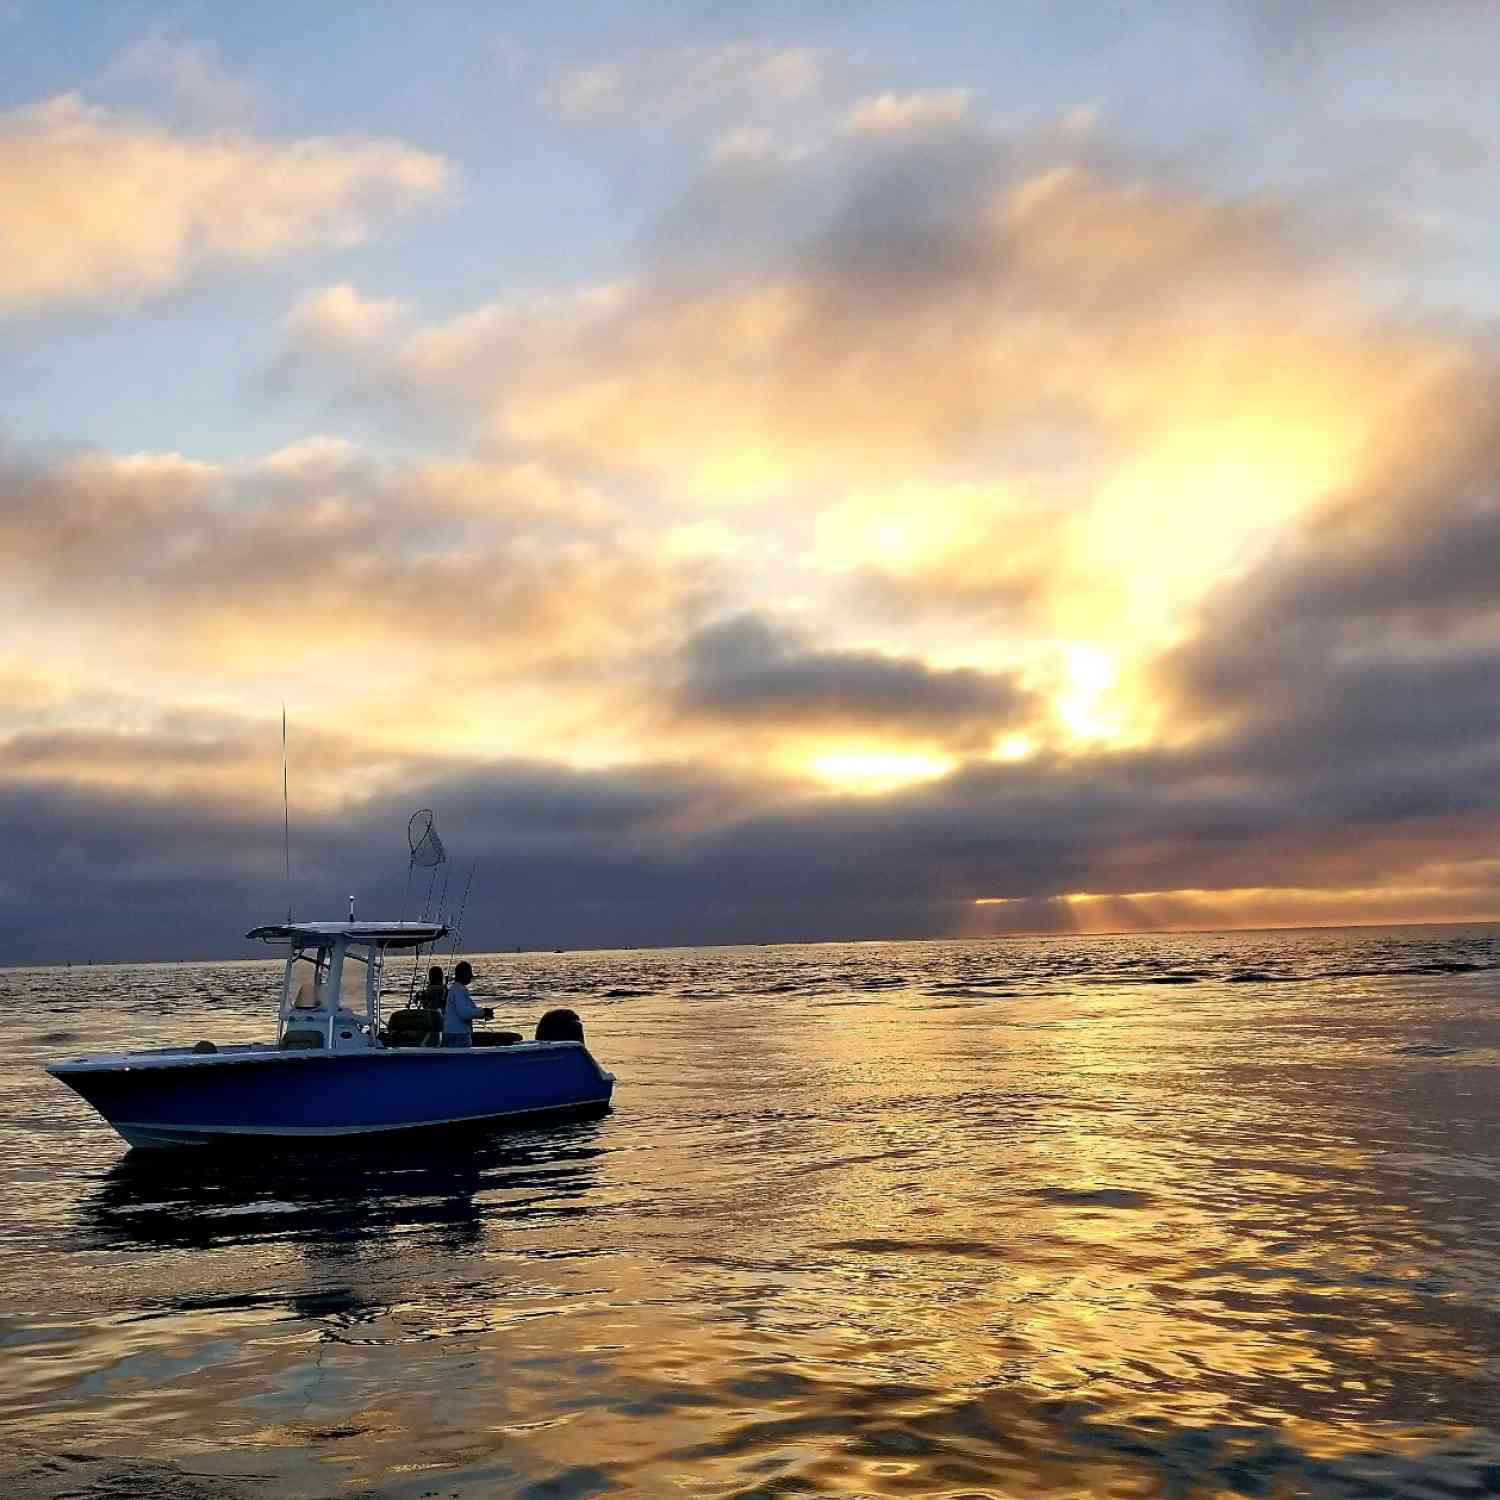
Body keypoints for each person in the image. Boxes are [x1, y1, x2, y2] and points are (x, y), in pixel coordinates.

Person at [441, 960, 493, 1048]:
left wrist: (484, 1012)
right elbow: (465, 1013)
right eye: (469, 973)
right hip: (458, 1035)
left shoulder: (457, 989)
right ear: (463, 974)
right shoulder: (458, 990)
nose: (471, 976)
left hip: (452, 1033)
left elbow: (471, 1009)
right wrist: (483, 1012)